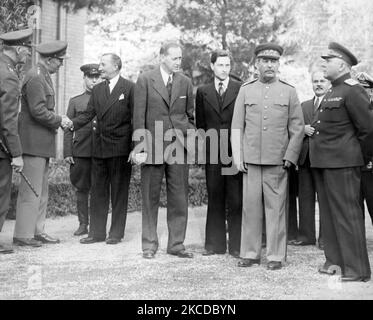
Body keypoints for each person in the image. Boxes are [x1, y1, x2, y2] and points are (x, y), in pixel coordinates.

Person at [231, 43, 304, 270]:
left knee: (276, 210)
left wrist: (290, 157)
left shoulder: (289, 91)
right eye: (265, 61)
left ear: (278, 64)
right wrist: (238, 156)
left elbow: (297, 128)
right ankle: (250, 253)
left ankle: (275, 256)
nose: (270, 65)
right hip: (251, 161)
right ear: (257, 64)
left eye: (274, 61)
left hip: (277, 162)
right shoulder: (246, 90)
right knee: (250, 208)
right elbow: (237, 126)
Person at [312, 42, 372, 282]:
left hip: (343, 164)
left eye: (329, 60)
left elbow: (368, 129)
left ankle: (357, 269)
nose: (324, 64)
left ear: (342, 64)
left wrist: (362, 158)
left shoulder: (352, 89)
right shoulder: (332, 89)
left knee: (348, 216)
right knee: (328, 215)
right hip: (325, 162)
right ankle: (335, 261)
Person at [132, 42, 195, 259]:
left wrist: (189, 137)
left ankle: (176, 244)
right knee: (150, 198)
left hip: (178, 148)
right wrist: (140, 148)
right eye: (175, 58)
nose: (179, 62)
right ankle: (149, 245)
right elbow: (138, 117)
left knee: (179, 197)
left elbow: (190, 115)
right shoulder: (145, 80)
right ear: (162, 57)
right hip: (152, 147)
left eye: (180, 58)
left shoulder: (185, 82)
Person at [71, 54, 134, 245]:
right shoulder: (98, 89)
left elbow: (136, 118)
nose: (100, 67)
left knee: (119, 192)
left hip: (120, 149)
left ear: (115, 66)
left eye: (103, 64)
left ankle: (115, 233)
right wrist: (69, 124)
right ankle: (96, 233)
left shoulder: (130, 87)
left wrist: (135, 147)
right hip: (98, 149)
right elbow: (88, 115)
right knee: (98, 192)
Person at [14, 40, 71, 247]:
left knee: (41, 189)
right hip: (33, 144)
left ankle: (36, 230)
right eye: (60, 61)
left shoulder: (41, 74)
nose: (61, 65)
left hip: (39, 144)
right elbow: (38, 110)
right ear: (49, 59)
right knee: (31, 190)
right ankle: (23, 233)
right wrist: (59, 120)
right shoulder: (37, 77)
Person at [195, 50, 242, 258]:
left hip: (234, 152)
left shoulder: (240, 89)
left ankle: (237, 245)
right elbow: (201, 125)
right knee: (215, 197)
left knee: (236, 199)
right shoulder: (203, 91)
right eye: (220, 65)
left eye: (227, 65)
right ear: (212, 66)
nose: (224, 69)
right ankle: (214, 244)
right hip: (213, 151)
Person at [0, 28, 33, 254]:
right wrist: (17, 154)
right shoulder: (9, 75)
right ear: (19, 49)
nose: (28, 55)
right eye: (27, 50)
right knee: (1, 195)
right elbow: (8, 121)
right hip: (1, 150)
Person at [289, 70, 330, 249]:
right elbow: (293, 127)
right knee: (304, 199)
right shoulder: (304, 106)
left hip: (324, 160)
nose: (318, 84)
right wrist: (302, 129)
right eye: (315, 81)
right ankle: (306, 236)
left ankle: (325, 238)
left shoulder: (333, 105)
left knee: (325, 200)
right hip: (305, 159)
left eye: (322, 81)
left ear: (328, 83)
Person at [63, 64, 100, 236]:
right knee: (82, 189)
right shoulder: (75, 101)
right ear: (84, 78)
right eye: (90, 77)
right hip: (81, 151)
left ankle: (97, 225)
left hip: (101, 151)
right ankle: (83, 223)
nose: (94, 80)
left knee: (99, 189)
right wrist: (68, 152)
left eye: (97, 77)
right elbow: (68, 128)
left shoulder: (106, 98)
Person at [356, 72, 373, 225]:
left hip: (371, 166)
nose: (362, 92)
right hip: (354, 165)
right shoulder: (350, 109)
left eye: (365, 89)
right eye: (359, 89)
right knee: (355, 208)